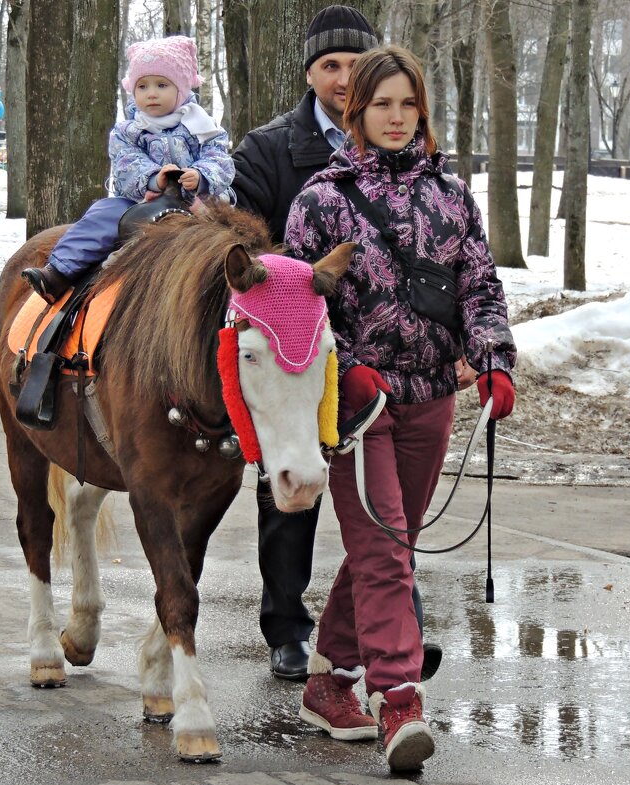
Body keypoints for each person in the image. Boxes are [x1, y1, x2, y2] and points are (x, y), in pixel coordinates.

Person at [284, 45, 516, 772]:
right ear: (357, 111)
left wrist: (493, 362)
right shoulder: (320, 200)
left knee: (394, 542)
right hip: (357, 404)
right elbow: (296, 309)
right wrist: (344, 372)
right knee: (384, 552)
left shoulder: (452, 196)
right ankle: (400, 703)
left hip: (431, 396)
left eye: (406, 104)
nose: (394, 117)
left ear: (421, 111)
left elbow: (478, 284)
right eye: (380, 104)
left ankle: (327, 681)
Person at [232, 6, 445, 683]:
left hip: (376, 359)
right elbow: (247, 252)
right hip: (296, 355)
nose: (344, 77)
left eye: (356, 65)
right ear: (311, 74)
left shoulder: (400, 147)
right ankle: (288, 626)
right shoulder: (268, 151)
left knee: (388, 514)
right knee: (290, 496)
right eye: (331, 65)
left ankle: (395, 626)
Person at [22, 35, 234, 303]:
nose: (151, 93)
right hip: (140, 203)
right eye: (142, 86)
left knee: (231, 230)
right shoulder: (128, 130)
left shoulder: (202, 126)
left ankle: (233, 289)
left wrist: (202, 175)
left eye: (162, 84)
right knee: (103, 214)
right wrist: (153, 179)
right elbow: (125, 163)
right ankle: (59, 272)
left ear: (181, 89)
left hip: (197, 202)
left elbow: (220, 158)